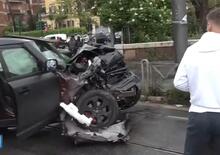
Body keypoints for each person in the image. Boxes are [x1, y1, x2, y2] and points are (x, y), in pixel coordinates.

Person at [174, 8, 220, 155]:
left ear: (209, 25)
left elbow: (179, 82)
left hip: (199, 115)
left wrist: (198, 87)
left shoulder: (192, 50)